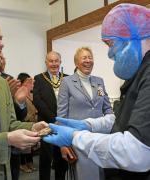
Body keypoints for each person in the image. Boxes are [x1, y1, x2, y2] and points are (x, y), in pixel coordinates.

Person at [43, 3, 150, 180]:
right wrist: (89, 125)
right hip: (101, 145)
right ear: (76, 62)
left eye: (111, 44)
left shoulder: (144, 74)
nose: (109, 54)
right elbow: (123, 118)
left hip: (108, 148)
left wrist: (77, 136)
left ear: (133, 36)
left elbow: (137, 152)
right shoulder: (68, 82)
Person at [0, 16, 48, 180]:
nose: (1, 43)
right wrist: (6, 140)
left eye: (1, 38)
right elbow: (6, 136)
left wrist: (33, 127)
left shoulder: (1, 83)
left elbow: (9, 125)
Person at [57, 46, 114, 180]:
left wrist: (111, 125)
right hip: (79, 139)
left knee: (102, 174)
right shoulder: (67, 82)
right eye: (84, 58)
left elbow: (107, 108)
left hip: (101, 137)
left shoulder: (99, 81)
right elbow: (61, 116)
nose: (88, 60)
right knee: (86, 175)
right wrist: (63, 144)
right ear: (76, 62)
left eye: (90, 57)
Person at [0, 53, 31, 180]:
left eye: (2, 58)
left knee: (13, 174)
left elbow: (18, 116)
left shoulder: (10, 80)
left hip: (11, 146)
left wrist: (19, 102)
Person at [33, 51, 68, 180]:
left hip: (63, 124)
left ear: (60, 62)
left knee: (61, 156)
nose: (54, 64)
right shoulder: (38, 78)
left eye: (56, 61)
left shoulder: (68, 78)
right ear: (46, 63)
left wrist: (62, 120)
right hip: (45, 123)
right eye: (51, 61)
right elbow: (37, 101)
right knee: (46, 157)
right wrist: (54, 119)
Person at [17, 72, 38, 173]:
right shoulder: (19, 94)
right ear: (21, 83)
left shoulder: (32, 93)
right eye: (27, 82)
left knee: (29, 146)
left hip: (32, 122)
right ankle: (23, 164)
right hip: (23, 121)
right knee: (23, 146)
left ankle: (29, 162)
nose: (30, 84)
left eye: (30, 82)